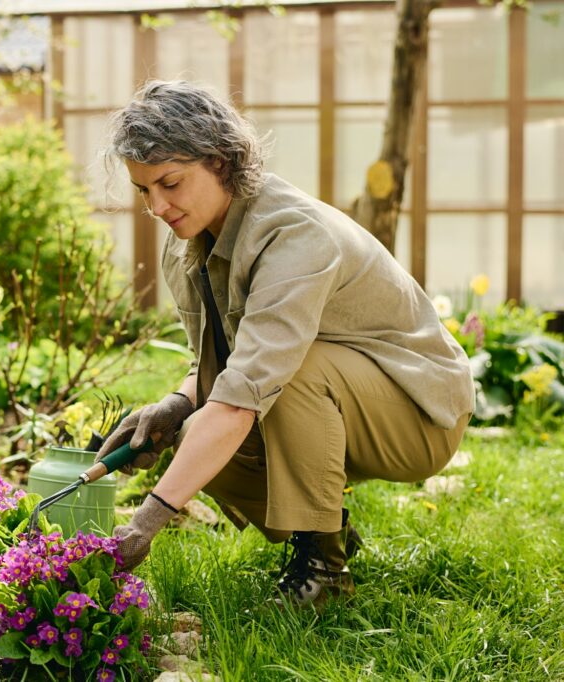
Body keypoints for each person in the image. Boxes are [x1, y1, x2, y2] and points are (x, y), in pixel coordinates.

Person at [97, 80, 474, 609]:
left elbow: (243, 389)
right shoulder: (188, 245)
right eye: (143, 191)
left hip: (417, 414)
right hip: (335, 400)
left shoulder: (292, 233)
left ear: (221, 162)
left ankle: (325, 575)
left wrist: (145, 523)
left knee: (283, 375)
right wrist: (178, 404)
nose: (156, 206)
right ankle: (323, 533)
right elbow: (217, 364)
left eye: (170, 183)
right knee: (195, 432)